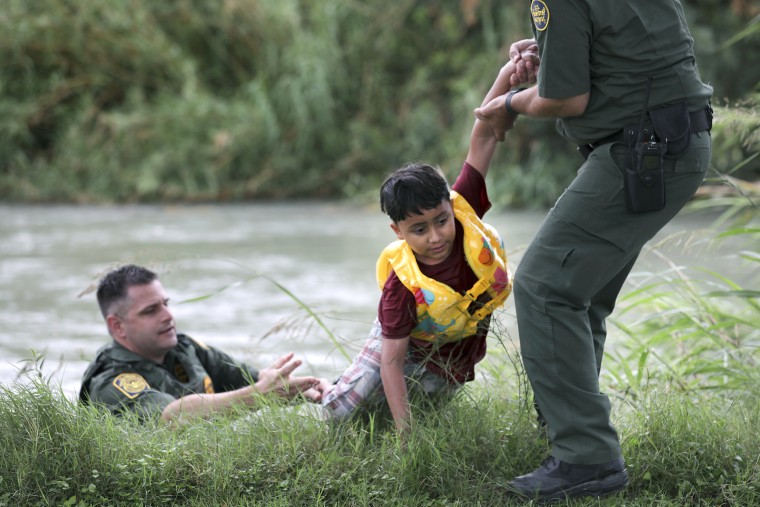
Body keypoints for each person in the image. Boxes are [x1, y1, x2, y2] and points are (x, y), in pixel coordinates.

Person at [474, 0, 713, 502]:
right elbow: (627, 49)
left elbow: (567, 100)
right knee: (579, 291)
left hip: (644, 151)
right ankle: (569, 438)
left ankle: (585, 457)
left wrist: (510, 101)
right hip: (675, 143)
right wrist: (555, 51)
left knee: (543, 285)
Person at [321, 56, 529, 434]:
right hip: (402, 341)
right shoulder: (401, 285)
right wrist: (406, 436)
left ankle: (394, 415)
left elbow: (482, 134)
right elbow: (392, 361)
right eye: (418, 229)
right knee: (342, 413)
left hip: (451, 349)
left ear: (451, 207)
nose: (435, 237)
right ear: (397, 231)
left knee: (425, 416)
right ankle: (326, 389)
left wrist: (506, 75)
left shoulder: (464, 208)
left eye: (441, 221)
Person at [80, 264, 331, 423]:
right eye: (150, 311)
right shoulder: (110, 381)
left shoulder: (185, 348)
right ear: (117, 326)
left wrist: (306, 388)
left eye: (166, 304)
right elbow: (172, 416)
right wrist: (259, 395)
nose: (168, 316)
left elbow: (255, 381)